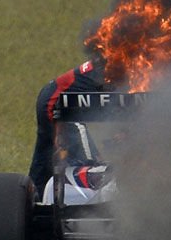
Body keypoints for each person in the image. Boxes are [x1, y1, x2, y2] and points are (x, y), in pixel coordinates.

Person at [27, 58, 112, 193]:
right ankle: (89, 208)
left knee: (44, 160)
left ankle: (32, 201)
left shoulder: (124, 58)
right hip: (56, 105)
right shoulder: (123, 64)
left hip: (54, 99)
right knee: (90, 167)